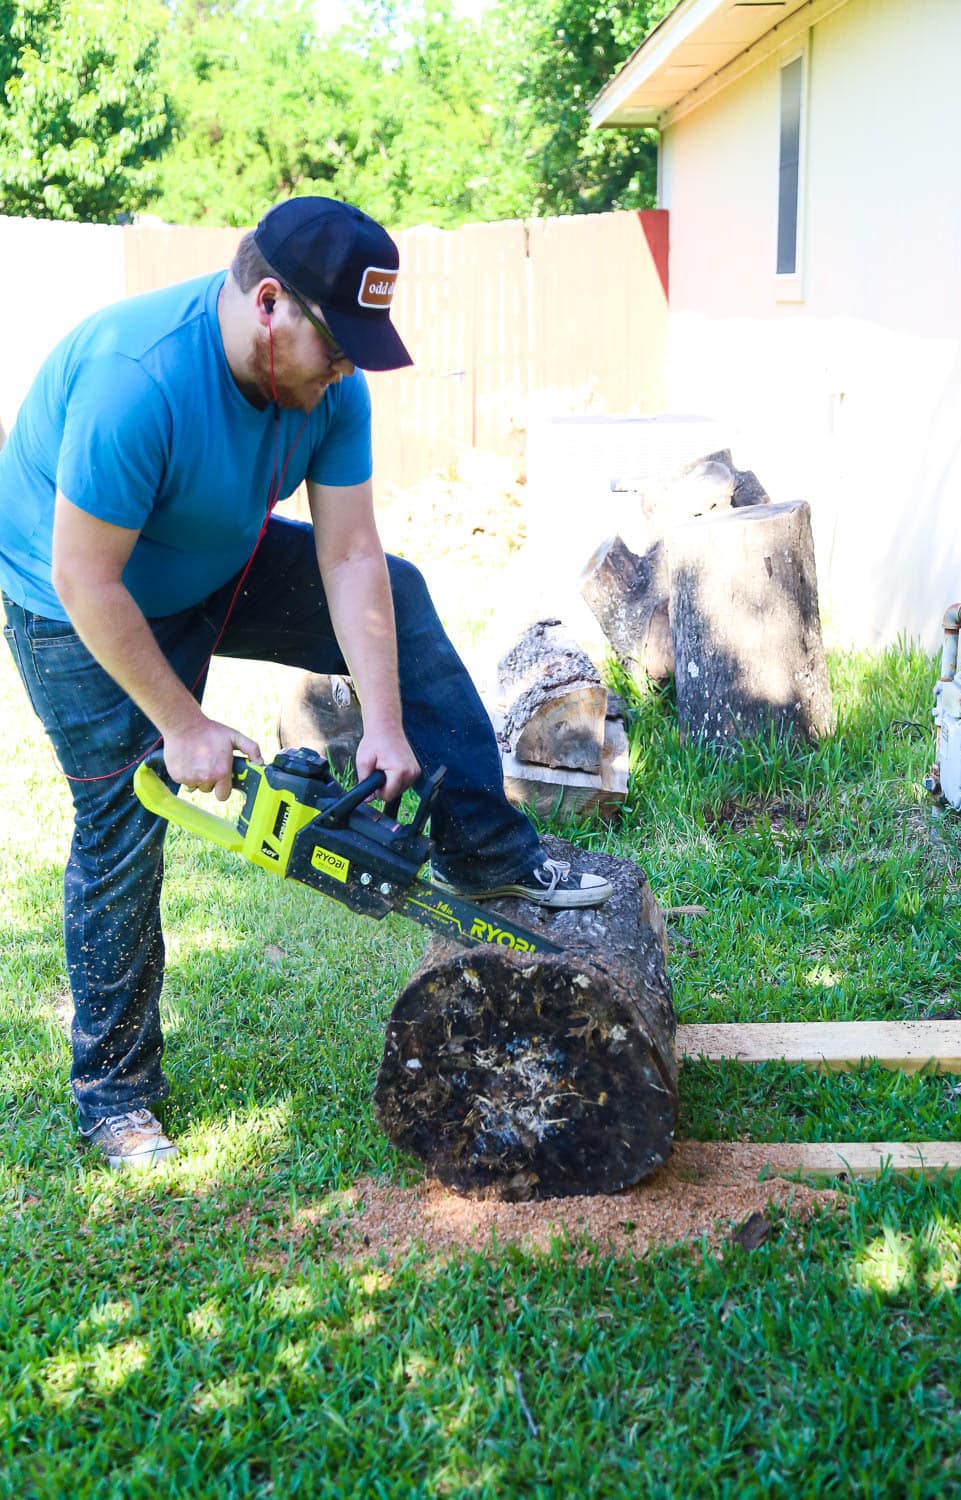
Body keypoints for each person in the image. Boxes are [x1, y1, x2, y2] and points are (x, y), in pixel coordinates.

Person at [0, 196, 612, 1171]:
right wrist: (181, 721)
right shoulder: (140, 378)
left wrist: (383, 721)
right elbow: (85, 577)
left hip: (212, 566)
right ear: (271, 304)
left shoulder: (329, 388)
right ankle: (115, 1093)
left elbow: (353, 556)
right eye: (337, 345)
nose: (346, 371)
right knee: (124, 818)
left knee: (401, 594)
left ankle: (493, 856)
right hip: (75, 605)